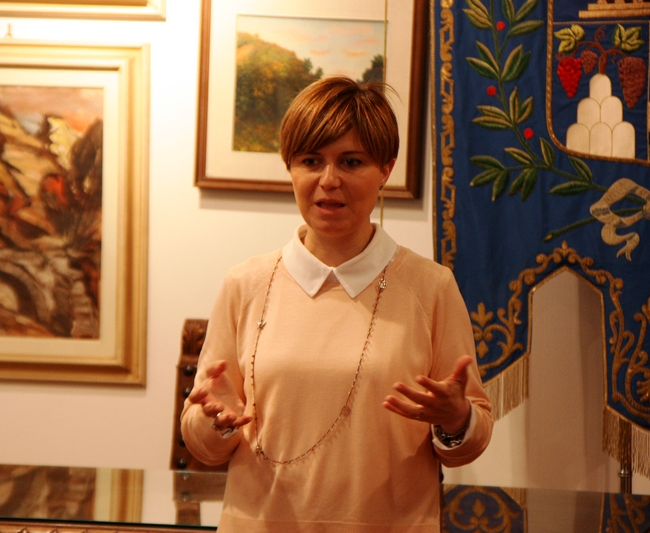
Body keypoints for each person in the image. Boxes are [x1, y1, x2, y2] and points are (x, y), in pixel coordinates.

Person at [181, 76, 492, 532]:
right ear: (290, 167)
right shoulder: (245, 284)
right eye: (311, 161)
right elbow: (203, 442)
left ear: (385, 169)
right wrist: (216, 422)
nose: (329, 181)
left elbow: (471, 437)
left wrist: (456, 419)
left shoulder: (431, 287)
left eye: (351, 162)